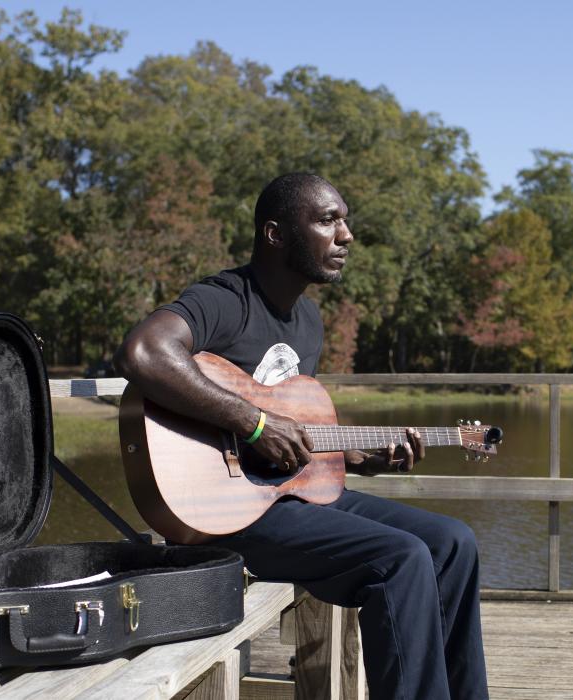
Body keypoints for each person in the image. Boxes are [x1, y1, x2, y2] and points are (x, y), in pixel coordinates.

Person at [113, 173, 488, 700]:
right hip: (224, 515)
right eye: (327, 220)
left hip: (288, 501)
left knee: (454, 543)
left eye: (345, 219)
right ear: (275, 234)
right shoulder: (225, 300)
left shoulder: (307, 319)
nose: (346, 235)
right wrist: (254, 423)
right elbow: (144, 353)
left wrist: (361, 459)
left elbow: (296, 445)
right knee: (401, 557)